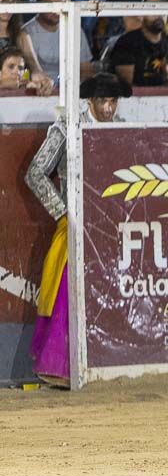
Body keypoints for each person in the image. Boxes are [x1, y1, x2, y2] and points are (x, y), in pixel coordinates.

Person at [23, 71, 130, 387]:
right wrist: (63, 213)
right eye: (103, 101)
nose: (109, 108)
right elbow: (35, 173)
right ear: (90, 101)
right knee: (69, 294)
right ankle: (62, 368)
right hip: (77, 225)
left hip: (113, 227)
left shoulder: (122, 129)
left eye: (113, 101)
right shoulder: (68, 127)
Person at [24, 0, 93, 84]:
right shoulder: (27, 32)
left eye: (61, 4)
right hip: (41, 87)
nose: (56, 10)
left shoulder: (74, 28)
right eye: (50, 5)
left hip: (71, 87)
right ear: (39, 5)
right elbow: (26, 73)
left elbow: (86, 68)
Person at [109, 1, 168, 85]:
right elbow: (127, 85)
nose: (159, 16)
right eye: (153, 11)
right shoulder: (127, 42)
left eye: (163, 11)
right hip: (138, 93)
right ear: (141, 16)